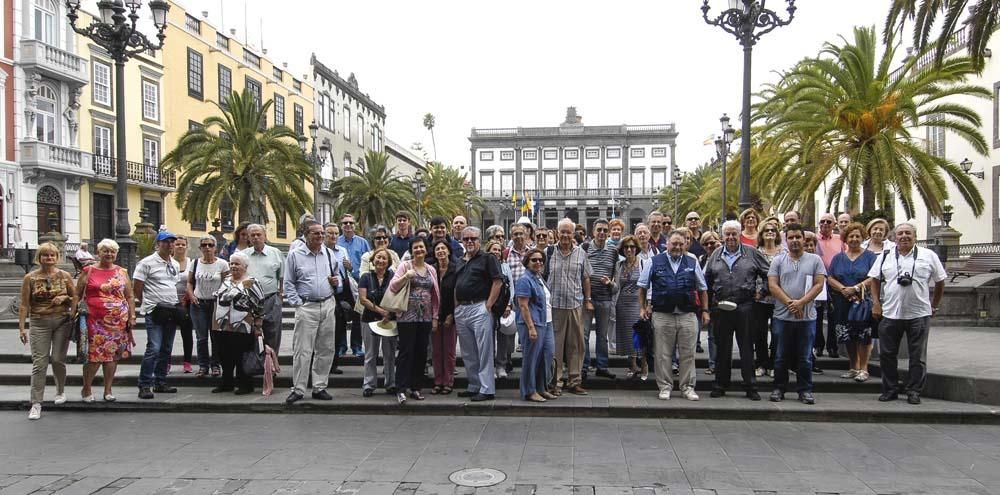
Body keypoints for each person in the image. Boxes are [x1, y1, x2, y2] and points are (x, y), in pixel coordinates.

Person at [869, 222, 946, 405]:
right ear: (894, 237)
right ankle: (890, 389)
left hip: (918, 314)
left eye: (908, 233)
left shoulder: (928, 256)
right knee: (887, 355)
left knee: (917, 356)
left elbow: (940, 281)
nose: (904, 236)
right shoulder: (885, 256)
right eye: (900, 233)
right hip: (890, 314)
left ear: (915, 236)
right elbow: (874, 280)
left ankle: (914, 391)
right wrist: (876, 304)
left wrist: (934, 305)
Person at [704, 220, 771, 400]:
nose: (731, 237)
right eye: (728, 234)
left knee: (747, 348)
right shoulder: (716, 255)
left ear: (739, 234)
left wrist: (762, 292)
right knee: (722, 348)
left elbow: (769, 273)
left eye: (734, 233)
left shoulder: (752, 253)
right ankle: (720, 384)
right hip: (722, 307)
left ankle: (750, 386)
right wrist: (708, 307)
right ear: (723, 235)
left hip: (745, 306)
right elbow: (706, 280)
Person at [639, 231, 709, 401]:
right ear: (667, 244)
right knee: (662, 354)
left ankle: (687, 387)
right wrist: (642, 308)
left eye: (680, 244)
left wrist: (705, 310)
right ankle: (665, 386)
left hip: (687, 314)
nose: (677, 247)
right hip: (662, 315)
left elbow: (702, 288)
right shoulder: (653, 261)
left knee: (688, 354)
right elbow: (642, 287)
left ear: (685, 244)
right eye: (674, 244)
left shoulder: (692, 261)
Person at [767, 223, 827, 405]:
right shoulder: (778, 260)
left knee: (805, 356)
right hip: (782, 317)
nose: (794, 240)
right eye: (791, 237)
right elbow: (773, 285)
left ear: (804, 239)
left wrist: (801, 303)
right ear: (786, 240)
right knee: (780, 355)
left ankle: (805, 390)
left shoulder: (815, 260)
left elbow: (819, 284)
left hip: (807, 317)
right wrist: (790, 303)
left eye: (798, 237)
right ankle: (779, 388)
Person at [283, 221, 341, 404]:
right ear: (306, 235)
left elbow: (337, 276)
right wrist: (297, 304)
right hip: (307, 306)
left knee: (326, 348)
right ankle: (299, 389)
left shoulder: (329, 254)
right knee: (303, 350)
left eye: (322, 233)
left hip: (327, 305)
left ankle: (320, 386)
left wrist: (336, 282)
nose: (321, 236)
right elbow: (288, 283)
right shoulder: (294, 255)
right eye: (316, 233)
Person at [19, 243, 75, 419]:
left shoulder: (65, 276)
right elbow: (24, 304)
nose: (49, 259)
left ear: (57, 257)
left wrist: (65, 298)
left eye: (52, 255)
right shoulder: (30, 278)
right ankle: (36, 403)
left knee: (58, 359)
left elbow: (75, 297)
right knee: (40, 363)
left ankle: (60, 391)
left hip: (61, 321)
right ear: (39, 257)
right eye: (45, 256)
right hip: (38, 321)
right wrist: (22, 327)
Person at [76, 239, 134, 405]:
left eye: (112, 251)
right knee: (93, 356)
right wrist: (72, 312)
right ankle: (86, 388)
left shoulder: (122, 272)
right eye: (105, 251)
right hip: (93, 320)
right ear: (99, 252)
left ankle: (108, 390)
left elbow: (129, 295)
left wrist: (132, 316)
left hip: (118, 322)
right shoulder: (89, 270)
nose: (109, 254)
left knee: (112, 356)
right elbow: (77, 293)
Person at [388, 237, 440, 404]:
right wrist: (406, 277)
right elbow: (393, 286)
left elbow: (434, 295)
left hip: (425, 317)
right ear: (411, 250)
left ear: (426, 250)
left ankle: (416, 387)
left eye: (421, 247)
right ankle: (401, 388)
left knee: (421, 353)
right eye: (415, 247)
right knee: (405, 352)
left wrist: (434, 317)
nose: (419, 250)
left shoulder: (431, 269)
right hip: (406, 317)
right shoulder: (405, 266)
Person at [454, 226, 503, 401]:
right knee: (468, 352)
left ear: (479, 240)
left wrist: (488, 306)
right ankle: (474, 385)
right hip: (462, 310)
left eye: (473, 238)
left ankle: (487, 388)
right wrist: (456, 307)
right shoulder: (460, 261)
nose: (469, 242)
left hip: (480, 308)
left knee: (484, 351)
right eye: (466, 239)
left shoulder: (488, 258)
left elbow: (498, 282)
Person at [546, 218, 594, 395]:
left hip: (575, 305)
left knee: (576, 345)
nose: (565, 235)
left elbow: (586, 277)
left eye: (568, 232)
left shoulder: (581, 253)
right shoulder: (548, 252)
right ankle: (556, 382)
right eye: (562, 231)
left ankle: (574, 381)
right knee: (555, 347)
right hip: (554, 306)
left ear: (573, 234)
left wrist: (588, 299)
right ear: (557, 232)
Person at [134, 231, 182, 399]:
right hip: (154, 310)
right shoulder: (146, 263)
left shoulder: (174, 264)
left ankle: (160, 381)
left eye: (172, 242)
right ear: (158, 244)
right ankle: (145, 384)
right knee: (153, 347)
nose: (169, 245)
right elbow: (138, 286)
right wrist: (146, 302)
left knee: (166, 348)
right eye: (166, 242)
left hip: (170, 309)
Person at [828, 222, 878, 382]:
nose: (854, 239)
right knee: (847, 334)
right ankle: (853, 366)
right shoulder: (838, 258)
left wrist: (856, 288)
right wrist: (843, 289)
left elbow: (874, 277)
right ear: (845, 239)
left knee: (864, 335)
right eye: (851, 236)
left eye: (857, 236)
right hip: (843, 301)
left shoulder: (870, 256)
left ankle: (864, 368)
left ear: (863, 237)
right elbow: (829, 277)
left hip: (862, 302)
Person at [211, 252, 264, 394]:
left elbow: (259, 304)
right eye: (231, 263)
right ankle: (226, 382)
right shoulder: (226, 280)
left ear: (245, 266)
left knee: (241, 356)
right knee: (224, 355)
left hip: (242, 325)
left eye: (237, 264)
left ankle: (245, 385)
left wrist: (258, 323)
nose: (233, 266)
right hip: (221, 325)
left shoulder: (251, 282)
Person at [516, 247, 556, 402]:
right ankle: (529, 390)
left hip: (546, 322)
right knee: (531, 359)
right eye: (534, 260)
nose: (538, 262)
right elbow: (523, 306)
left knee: (546, 355)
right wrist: (531, 327)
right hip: (532, 324)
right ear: (527, 262)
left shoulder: (539, 277)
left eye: (540, 260)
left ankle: (541, 388)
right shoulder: (524, 279)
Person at [357, 247, 397, 397]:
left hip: (389, 320)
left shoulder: (393, 276)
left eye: (384, 258)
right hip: (369, 319)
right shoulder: (366, 277)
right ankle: (369, 384)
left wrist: (390, 313)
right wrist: (381, 312)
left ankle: (391, 383)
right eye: (378, 257)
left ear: (388, 262)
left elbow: (398, 295)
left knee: (389, 354)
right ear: (373, 260)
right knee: (370, 354)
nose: (380, 260)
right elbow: (363, 299)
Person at [187, 235, 228, 378]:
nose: (207, 248)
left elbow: (227, 282)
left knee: (216, 336)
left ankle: (216, 365)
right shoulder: (195, 263)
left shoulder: (222, 264)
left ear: (215, 247)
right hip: (199, 304)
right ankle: (203, 366)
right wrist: (191, 296)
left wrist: (221, 297)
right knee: (201, 337)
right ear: (200, 248)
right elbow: (190, 282)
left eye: (210, 245)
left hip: (216, 304)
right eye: (204, 245)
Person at [582, 218, 617, 379]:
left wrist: (611, 284)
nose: (602, 233)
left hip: (605, 299)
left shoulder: (614, 251)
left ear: (608, 232)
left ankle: (602, 366)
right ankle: (584, 366)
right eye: (599, 230)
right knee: (584, 334)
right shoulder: (584, 249)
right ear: (593, 232)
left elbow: (617, 281)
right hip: (587, 299)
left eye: (605, 230)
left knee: (602, 336)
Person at [242, 224, 284, 356]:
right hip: (249, 301)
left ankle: (271, 367)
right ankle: (251, 366)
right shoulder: (243, 255)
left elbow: (282, 276)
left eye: (258, 234)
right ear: (248, 238)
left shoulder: (275, 253)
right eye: (252, 235)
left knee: (273, 334)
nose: (256, 237)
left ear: (265, 236)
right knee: (249, 335)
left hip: (271, 299)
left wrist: (280, 295)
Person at [751, 221, 786, 377]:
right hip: (760, 299)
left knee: (778, 333)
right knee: (759, 333)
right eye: (766, 230)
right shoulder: (756, 252)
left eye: (773, 230)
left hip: (779, 299)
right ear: (761, 234)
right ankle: (761, 364)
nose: (770, 232)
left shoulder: (784, 252)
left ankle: (774, 364)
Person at [337, 214, 370, 357]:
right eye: (345, 223)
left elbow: (369, 261)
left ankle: (356, 346)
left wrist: (353, 270)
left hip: (358, 284)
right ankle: (342, 346)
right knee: (341, 317)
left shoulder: (363, 243)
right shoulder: (336, 242)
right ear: (341, 225)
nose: (348, 225)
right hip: (342, 284)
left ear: (355, 225)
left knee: (358, 316)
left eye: (351, 223)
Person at [429, 239, 457, 395]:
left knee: (449, 351)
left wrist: (451, 315)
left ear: (448, 251)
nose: (440, 251)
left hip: (450, 316)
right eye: (437, 249)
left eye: (443, 248)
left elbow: (457, 294)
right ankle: (438, 381)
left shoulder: (456, 269)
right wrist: (433, 317)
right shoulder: (431, 270)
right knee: (436, 351)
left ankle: (448, 381)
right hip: (433, 315)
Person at [615, 236, 645, 379]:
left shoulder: (644, 263)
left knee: (639, 335)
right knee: (627, 336)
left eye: (632, 247)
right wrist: (610, 284)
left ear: (637, 248)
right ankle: (632, 365)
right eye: (626, 247)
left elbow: (647, 286)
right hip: (622, 303)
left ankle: (644, 365)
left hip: (637, 303)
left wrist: (646, 305)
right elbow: (616, 286)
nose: (629, 250)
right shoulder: (619, 265)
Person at [485, 236, 514, 379]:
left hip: (503, 306)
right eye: (493, 250)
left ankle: (501, 366)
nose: (496, 252)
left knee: (503, 337)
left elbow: (511, 287)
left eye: (498, 250)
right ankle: (489, 366)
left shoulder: (505, 266)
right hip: (488, 307)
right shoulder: (484, 265)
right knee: (488, 338)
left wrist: (508, 304)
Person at [815, 212, 844, 357]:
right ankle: (818, 346)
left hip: (835, 281)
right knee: (817, 315)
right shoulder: (813, 239)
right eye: (822, 221)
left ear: (834, 224)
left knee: (834, 315)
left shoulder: (840, 240)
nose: (825, 224)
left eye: (828, 221)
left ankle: (832, 346)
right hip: (818, 281)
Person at [698, 231, 721, 374]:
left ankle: (717, 364)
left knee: (718, 334)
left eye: (712, 243)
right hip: (705, 300)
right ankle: (713, 364)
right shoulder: (701, 259)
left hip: (719, 300)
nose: (709, 246)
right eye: (706, 243)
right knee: (711, 335)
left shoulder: (722, 257)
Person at [172, 236, 196, 374]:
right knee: (168, 334)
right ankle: (167, 362)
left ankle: (187, 362)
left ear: (187, 246)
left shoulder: (191, 263)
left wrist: (188, 295)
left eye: (182, 244)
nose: (180, 247)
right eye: (177, 244)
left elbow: (192, 281)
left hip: (186, 303)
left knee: (187, 333)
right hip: (170, 302)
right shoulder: (168, 262)